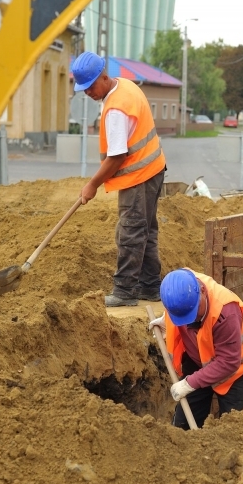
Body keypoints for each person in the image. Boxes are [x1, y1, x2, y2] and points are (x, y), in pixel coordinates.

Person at [72, 51, 167, 307]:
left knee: (131, 233)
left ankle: (125, 292)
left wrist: (92, 184)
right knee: (145, 231)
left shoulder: (115, 109)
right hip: (153, 169)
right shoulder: (125, 85)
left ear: (103, 77)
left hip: (139, 177)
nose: (87, 93)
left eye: (90, 86)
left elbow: (116, 156)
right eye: (82, 89)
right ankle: (149, 287)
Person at [148, 268, 243, 430]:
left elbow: (228, 362)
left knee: (233, 429)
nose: (190, 321)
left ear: (203, 291)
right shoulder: (178, 287)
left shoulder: (225, 312)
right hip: (197, 359)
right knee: (182, 427)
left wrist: (189, 383)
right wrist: (167, 320)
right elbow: (179, 307)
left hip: (235, 370)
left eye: (192, 312)